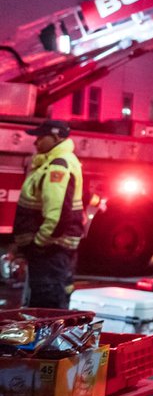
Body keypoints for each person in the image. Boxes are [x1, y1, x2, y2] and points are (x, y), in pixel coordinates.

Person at [13, 120, 84, 308]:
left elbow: (58, 215)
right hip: (53, 250)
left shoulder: (58, 166)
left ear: (55, 137)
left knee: (46, 307)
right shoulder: (56, 162)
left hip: (50, 251)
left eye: (40, 137)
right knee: (52, 300)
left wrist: (39, 243)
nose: (36, 142)